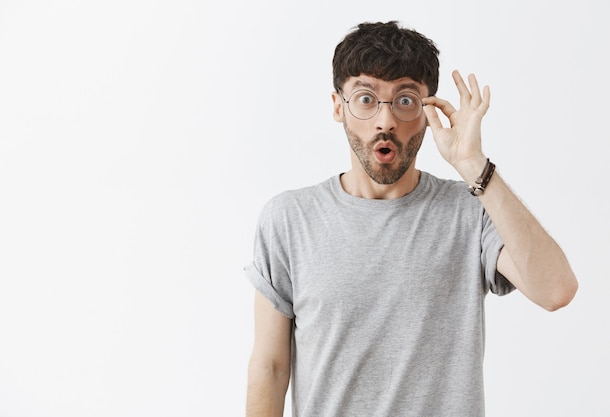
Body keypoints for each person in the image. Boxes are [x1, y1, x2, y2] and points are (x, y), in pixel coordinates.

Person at [244, 21, 578, 417]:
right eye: (366, 99)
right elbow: (270, 366)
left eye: (405, 100)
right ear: (338, 106)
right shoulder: (289, 220)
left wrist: (474, 166)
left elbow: (556, 290)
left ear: (427, 111)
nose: (385, 121)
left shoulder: (470, 210)